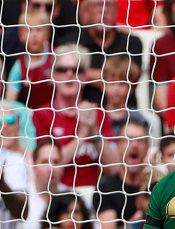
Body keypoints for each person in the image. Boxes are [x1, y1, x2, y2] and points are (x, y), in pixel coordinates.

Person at [32, 45, 115, 191]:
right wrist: (82, 134)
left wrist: (94, 131)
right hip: (56, 195)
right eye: (62, 70)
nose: (69, 74)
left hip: (93, 195)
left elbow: (114, 169)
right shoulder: (42, 114)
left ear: (84, 77)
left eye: (77, 70)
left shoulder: (98, 114)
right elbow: (49, 166)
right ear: (53, 75)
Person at [59, 0, 144, 104]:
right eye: (98, 5)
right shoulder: (71, 41)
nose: (104, 10)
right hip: (83, 110)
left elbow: (132, 78)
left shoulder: (131, 42)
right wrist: (116, 76)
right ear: (87, 11)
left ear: (116, 11)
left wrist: (85, 73)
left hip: (125, 112)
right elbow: (63, 75)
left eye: (109, 5)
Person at [6, 9, 56, 109]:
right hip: (32, 114)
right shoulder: (19, 65)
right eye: (29, 30)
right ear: (21, 35)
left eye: (39, 30)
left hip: (55, 111)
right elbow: (10, 100)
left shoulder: (56, 56)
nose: (34, 35)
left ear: (47, 34)